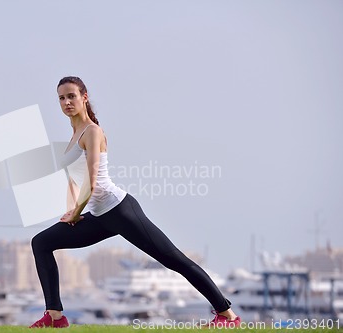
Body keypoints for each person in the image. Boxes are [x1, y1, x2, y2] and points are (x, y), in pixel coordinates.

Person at [29, 76, 241, 328]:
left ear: (84, 97)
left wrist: (77, 211)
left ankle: (227, 316)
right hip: (98, 216)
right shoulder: (74, 135)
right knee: (41, 242)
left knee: (173, 260)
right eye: (62, 98)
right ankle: (55, 316)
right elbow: (74, 182)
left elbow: (93, 180)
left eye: (71, 96)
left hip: (120, 211)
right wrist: (70, 210)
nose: (66, 102)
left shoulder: (92, 132)